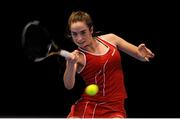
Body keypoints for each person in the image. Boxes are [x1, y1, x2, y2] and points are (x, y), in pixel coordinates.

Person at [63, 11, 155, 118]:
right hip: (88, 105)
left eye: (83, 32)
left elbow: (140, 55)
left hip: (114, 106)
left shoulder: (111, 39)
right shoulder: (76, 57)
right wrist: (70, 64)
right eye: (74, 34)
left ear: (91, 30)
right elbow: (68, 85)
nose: (79, 38)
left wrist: (142, 54)